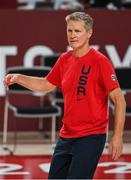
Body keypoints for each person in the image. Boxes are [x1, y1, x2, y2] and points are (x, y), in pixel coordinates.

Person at [4, 12, 126, 179]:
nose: (73, 36)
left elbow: (119, 100)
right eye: (69, 31)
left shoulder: (100, 62)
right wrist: (19, 78)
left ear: (89, 33)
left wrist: (117, 136)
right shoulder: (64, 59)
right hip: (66, 136)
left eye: (77, 31)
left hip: (91, 136)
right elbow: (45, 84)